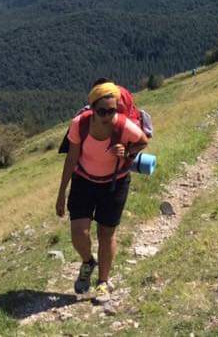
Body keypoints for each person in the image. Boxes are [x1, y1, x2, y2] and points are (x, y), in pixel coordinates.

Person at [56, 82, 149, 297]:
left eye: (112, 110)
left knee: (106, 233)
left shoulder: (124, 126)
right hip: (83, 181)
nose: (107, 115)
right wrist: (62, 192)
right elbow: (71, 158)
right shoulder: (80, 124)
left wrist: (126, 152)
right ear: (92, 108)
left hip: (114, 183)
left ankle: (103, 282)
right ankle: (88, 261)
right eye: (102, 111)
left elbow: (143, 141)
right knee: (79, 232)